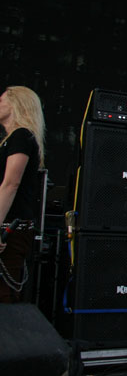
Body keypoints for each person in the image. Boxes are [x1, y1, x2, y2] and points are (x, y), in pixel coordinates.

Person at [0, 86, 45, 303]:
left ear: (16, 104)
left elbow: (11, 184)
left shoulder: (21, 136)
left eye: (1, 101)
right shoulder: (12, 139)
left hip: (10, 228)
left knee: (4, 296)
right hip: (8, 224)